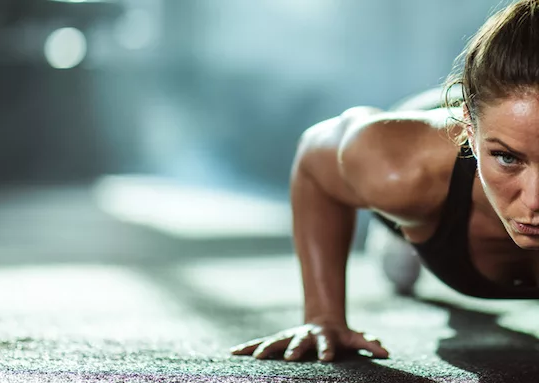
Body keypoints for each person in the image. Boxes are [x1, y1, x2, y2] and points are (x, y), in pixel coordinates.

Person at [231, 0, 539, 363]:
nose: (534, 201)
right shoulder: (402, 169)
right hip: (429, 184)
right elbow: (315, 159)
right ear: (468, 130)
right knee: (401, 262)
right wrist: (322, 316)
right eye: (507, 158)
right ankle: (403, 232)